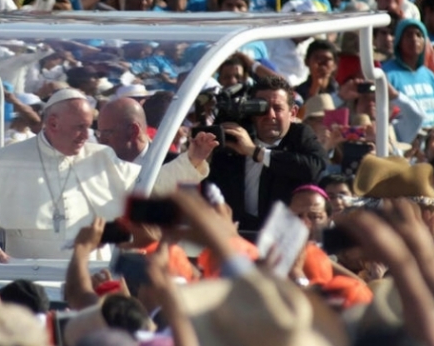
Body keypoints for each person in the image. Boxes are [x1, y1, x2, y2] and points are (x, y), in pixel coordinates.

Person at [0, 89, 139, 261]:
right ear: (53, 123)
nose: (87, 135)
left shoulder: (102, 157)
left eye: (89, 127)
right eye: (80, 127)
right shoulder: (6, 160)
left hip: (92, 276)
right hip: (29, 279)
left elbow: (150, 185)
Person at [204, 75, 327, 231]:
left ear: (293, 112)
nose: (270, 115)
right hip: (236, 235)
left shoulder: (299, 135)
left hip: (283, 236)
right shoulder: (235, 138)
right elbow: (209, 185)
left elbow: (314, 167)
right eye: (261, 107)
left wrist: (255, 151)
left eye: (278, 108)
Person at [96, 97, 216, 194]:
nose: (101, 140)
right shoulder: (96, 167)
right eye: (99, 134)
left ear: (133, 131)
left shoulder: (184, 167)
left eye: (106, 133)